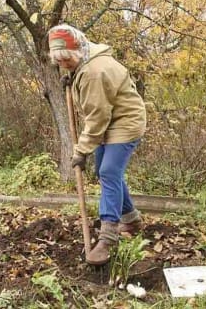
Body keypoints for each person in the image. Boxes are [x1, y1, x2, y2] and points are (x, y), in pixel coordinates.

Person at [48, 24, 146, 265]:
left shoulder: (94, 72)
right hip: (110, 120)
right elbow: (98, 111)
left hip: (124, 122)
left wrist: (81, 150)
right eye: (60, 62)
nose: (65, 65)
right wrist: (71, 77)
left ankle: (108, 236)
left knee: (108, 171)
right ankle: (132, 220)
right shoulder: (85, 60)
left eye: (68, 61)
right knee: (106, 173)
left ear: (78, 51)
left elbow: (97, 117)